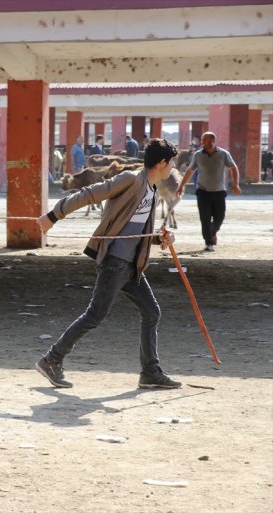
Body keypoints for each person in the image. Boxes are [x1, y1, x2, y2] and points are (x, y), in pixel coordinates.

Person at [35, 138, 182, 390]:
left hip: (132, 266)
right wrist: (53, 216)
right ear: (162, 162)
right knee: (95, 315)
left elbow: (135, 229)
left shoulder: (151, 189)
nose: (172, 169)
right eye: (171, 164)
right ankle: (52, 359)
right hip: (115, 262)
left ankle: (150, 372)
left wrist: (160, 238)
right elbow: (89, 194)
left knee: (151, 312)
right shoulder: (131, 180)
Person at [176, 131, 242, 252]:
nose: (202, 143)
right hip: (203, 192)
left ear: (212, 141)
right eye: (202, 140)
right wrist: (181, 186)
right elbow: (190, 171)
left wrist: (235, 184)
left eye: (204, 140)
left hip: (219, 191)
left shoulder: (223, 154)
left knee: (220, 217)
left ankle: (212, 233)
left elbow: (233, 168)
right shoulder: (198, 155)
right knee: (205, 219)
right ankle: (209, 242)